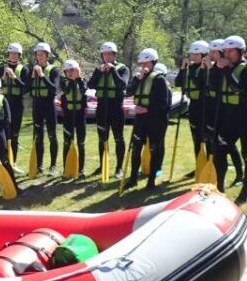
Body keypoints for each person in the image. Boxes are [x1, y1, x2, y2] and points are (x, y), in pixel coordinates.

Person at [213, 35, 247, 203]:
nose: (227, 54)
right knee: (219, 149)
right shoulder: (226, 67)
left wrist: (226, 69)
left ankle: (246, 192)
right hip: (230, 117)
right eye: (225, 51)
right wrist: (215, 68)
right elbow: (213, 86)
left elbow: (237, 88)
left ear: (240, 51)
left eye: (230, 51)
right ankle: (219, 187)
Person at [126, 49, 169, 190]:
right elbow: (129, 92)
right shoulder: (138, 78)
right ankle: (133, 178)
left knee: (154, 149)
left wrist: (148, 109)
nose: (143, 65)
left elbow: (164, 104)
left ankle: (151, 180)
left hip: (155, 120)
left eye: (146, 62)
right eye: (142, 63)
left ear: (153, 63)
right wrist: (137, 80)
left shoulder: (159, 79)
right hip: (140, 119)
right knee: (136, 147)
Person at [203, 39, 244, 186]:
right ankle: (218, 179)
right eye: (211, 52)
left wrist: (216, 68)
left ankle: (240, 174)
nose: (211, 55)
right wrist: (208, 68)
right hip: (214, 108)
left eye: (214, 52)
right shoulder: (215, 67)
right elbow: (210, 86)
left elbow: (222, 85)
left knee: (228, 145)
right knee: (218, 143)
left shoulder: (228, 67)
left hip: (225, 110)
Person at [87, 42, 130, 179]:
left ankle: (119, 168)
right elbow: (91, 84)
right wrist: (100, 72)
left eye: (109, 54)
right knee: (102, 139)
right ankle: (102, 165)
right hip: (102, 107)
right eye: (104, 54)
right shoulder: (98, 69)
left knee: (118, 138)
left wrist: (112, 70)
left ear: (114, 55)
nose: (107, 57)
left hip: (116, 107)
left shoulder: (123, 69)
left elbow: (123, 84)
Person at [29, 41, 60, 175]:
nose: (40, 56)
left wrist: (42, 76)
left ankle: (53, 166)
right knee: (38, 136)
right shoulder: (33, 70)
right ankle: (39, 165)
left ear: (47, 56)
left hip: (49, 106)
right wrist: (32, 77)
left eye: (42, 54)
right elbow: (27, 89)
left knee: (52, 136)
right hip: (37, 106)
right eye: (38, 54)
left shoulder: (53, 70)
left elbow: (54, 89)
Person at [0, 42, 29, 169]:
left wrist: (14, 77)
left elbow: (25, 89)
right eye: (11, 53)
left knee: (14, 135)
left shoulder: (24, 69)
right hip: (3, 105)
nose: (13, 56)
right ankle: (3, 160)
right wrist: (4, 77)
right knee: (3, 134)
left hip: (17, 105)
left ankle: (13, 162)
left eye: (16, 54)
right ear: (8, 55)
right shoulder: (1, 69)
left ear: (19, 56)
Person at [176, 40, 209, 161]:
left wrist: (198, 69)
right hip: (194, 105)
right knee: (196, 137)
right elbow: (178, 82)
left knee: (206, 138)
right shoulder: (190, 68)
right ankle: (199, 164)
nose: (193, 57)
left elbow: (198, 82)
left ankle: (212, 165)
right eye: (192, 54)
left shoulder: (207, 69)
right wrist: (183, 68)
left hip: (205, 106)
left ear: (204, 55)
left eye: (197, 54)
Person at [60, 59, 87, 178]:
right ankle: (66, 169)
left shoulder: (83, 81)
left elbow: (83, 90)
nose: (70, 73)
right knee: (67, 143)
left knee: (81, 143)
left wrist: (78, 78)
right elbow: (66, 91)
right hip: (69, 116)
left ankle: (81, 169)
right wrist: (72, 80)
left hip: (80, 116)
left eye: (72, 70)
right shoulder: (64, 82)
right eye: (67, 71)